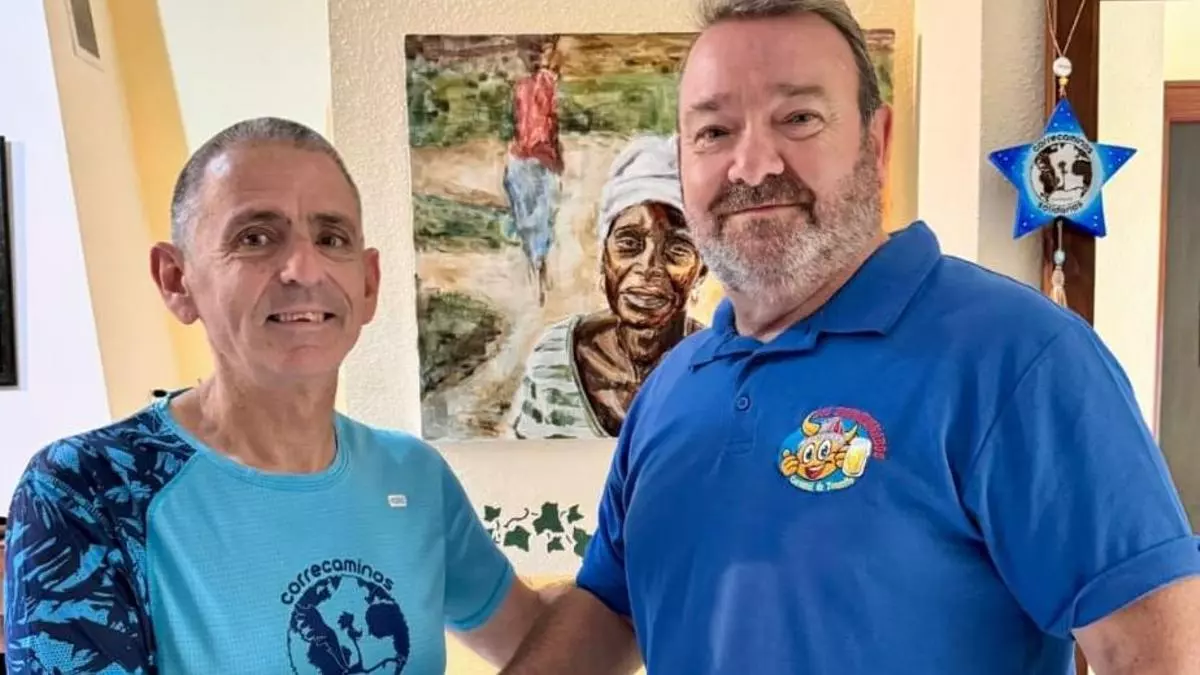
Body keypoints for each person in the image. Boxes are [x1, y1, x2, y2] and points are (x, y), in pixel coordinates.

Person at [500, 1, 1200, 674]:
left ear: (877, 141)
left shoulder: (1021, 359)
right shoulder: (670, 390)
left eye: (798, 118)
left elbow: (1162, 653)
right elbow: (613, 608)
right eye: (714, 131)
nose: (753, 164)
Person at [3, 118, 549, 674]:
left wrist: (608, 567)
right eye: (255, 238)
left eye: (331, 239)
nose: (303, 269)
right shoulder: (89, 490)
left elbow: (544, 640)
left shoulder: (414, 477)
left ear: (368, 283)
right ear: (176, 279)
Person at [509, 134, 706, 439]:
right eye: (629, 243)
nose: (648, 267)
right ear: (604, 256)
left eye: (678, 249)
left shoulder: (719, 367)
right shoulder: (554, 359)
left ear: (702, 268)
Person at [503, 36, 565, 307]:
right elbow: (546, 123)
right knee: (536, 216)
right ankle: (537, 266)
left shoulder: (535, 84)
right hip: (531, 158)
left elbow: (549, 123)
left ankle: (537, 265)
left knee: (535, 216)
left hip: (531, 158)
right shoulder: (530, 85)